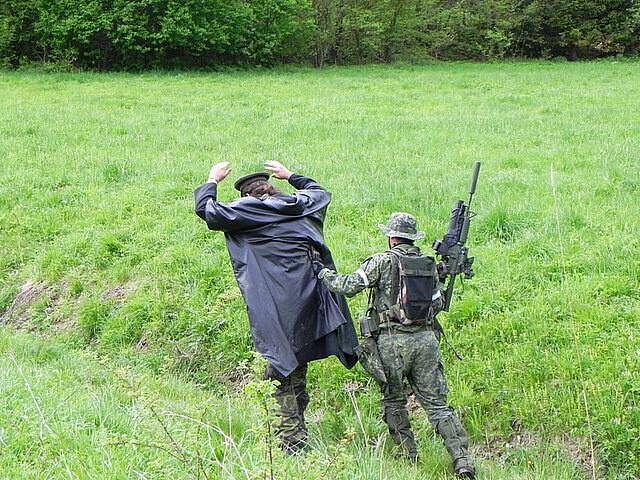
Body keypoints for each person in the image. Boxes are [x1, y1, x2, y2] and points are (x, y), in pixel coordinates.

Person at [194, 160, 358, 454]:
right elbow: (319, 192)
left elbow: (209, 212)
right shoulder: (302, 206)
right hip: (311, 307)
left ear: (247, 197)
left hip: (277, 311)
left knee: (279, 372)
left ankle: (292, 443)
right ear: (273, 187)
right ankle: (298, 430)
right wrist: (292, 175)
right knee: (298, 366)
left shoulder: (248, 212)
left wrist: (212, 180)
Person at [317, 212, 476, 478]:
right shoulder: (427, 264)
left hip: (392, 344)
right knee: (438, 406)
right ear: (412, 238)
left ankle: (408, 458)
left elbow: (348, 286)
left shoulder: (382, 261)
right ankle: (462, 460)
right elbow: (436, 306)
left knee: (394, 401)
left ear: (391, 237)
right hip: (426, 342)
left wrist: (322, 273)